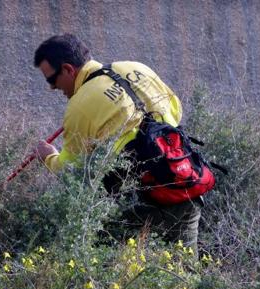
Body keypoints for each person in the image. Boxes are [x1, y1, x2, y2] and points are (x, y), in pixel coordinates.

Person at [33, 33, 202, 252]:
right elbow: (176, 110)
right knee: (186, 270)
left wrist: (48, 156)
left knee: (100, 258)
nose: (53, 88)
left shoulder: (79, 106)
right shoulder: (138, 68)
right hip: (184, 181)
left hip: (137, 200)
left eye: (51, 80)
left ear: (67, 69)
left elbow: (71, 169)